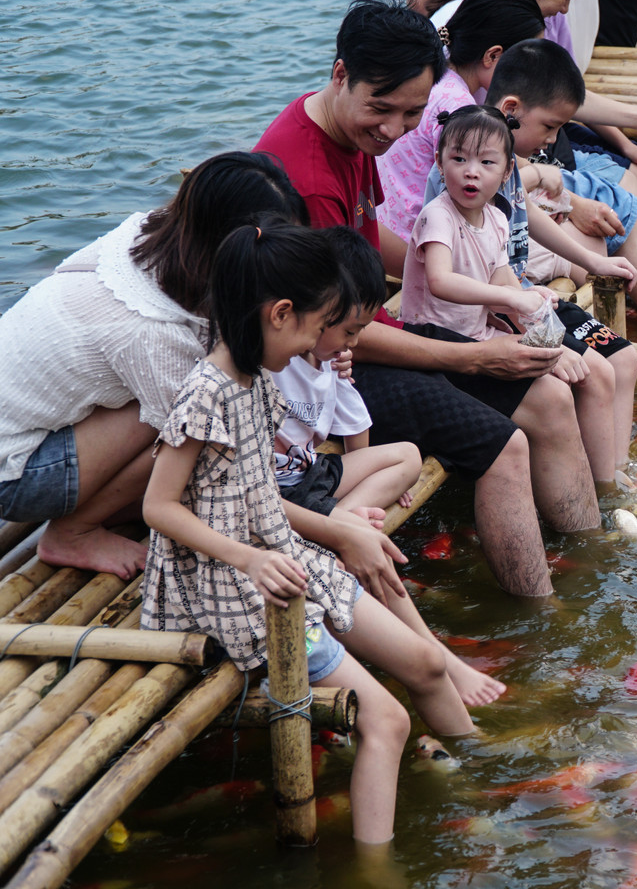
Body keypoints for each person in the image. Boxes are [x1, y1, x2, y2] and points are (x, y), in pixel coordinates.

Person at [141, 221, 505, 847]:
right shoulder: (208, 394)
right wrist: (247, 558)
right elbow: (158, 507)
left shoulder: (254, 380)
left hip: (279, 554)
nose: (323, 344)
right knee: (386, 720)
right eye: (320, 325)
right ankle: (375, 867)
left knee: (421, 659)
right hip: (234, 586)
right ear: (282, 314)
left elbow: (261, 498)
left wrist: (328, 534)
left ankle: (486, 781)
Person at [254, 0, 599, 597]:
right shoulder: (305, 177)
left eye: (413, 115)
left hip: (364, 330)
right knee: (504, 446)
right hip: (329, 360)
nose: (393, 131)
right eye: (381, 110)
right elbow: (329, 334)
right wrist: (470, 356)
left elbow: (378, 245)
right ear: (341, 74)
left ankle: (592, 555)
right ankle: (538, 610)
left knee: (547, 395)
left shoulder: (350, 134)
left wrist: (464, 265)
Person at [0, 152, 396, 587]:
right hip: (17, 471)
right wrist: (336, 528)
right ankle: (74, 532)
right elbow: (226, 464)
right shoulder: (155, 333)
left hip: (41, 428)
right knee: (187, 415)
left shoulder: (151, 232)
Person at [383, 0, 637, 323]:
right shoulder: (460, 112)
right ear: (493, 56)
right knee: (610, 219)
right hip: (436, 244)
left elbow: (510, 189)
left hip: (417, 228)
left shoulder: (444, 86)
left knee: (610, 211)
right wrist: (564, 196)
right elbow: (508, 189)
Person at [405, 105, 637, 483]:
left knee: (606, 362)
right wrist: (524, 310)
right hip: (441, 341)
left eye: (486, 162)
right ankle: (602, 484)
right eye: (458, 159)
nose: (471, 170)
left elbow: (503, 281)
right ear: (439, 161)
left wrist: (539, 326)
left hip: (486, 326)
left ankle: (611, 478)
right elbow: (441, 281)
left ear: (508, 169)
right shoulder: (438, 215)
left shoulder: (496, 215)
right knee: (574, 379)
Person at [271, 227, 421, 525]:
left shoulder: (333, 361)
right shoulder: (273, 358)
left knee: (409, 457)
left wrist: (371, 479)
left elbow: (356, 425)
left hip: (309, 475)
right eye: (349, 331)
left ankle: (345, 516)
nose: (353, 343)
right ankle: (339, 523)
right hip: (272, 494)